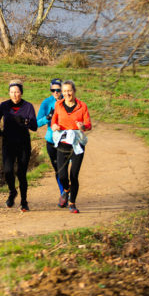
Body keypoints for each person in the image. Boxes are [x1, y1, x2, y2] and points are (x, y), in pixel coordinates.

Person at [0, 79, 38, 212]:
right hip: (8, 142)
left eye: (17, 92)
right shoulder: (4, 105)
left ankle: (24, 201)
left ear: (21, 93)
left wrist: (25, 122)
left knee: (21, 173)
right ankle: (12, 192)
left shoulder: (28, 106)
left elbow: (34, 127)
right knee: (7, 171)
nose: (14, 94)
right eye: (12, 92)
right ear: (9, 93)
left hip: (23, 144)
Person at [51, 79, 92, 214]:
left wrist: (83, 126)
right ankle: (66, 191)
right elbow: (53, 122)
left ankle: (72, 203)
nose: (67, 93)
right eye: (64, 91)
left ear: (74, 91)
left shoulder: (82, 106)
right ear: (61, 93)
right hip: (63, 144)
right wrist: (55, 126)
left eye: (69, 91)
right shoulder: (58, 105)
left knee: (74, 175)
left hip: (77, 145)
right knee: (62, 175)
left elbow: (88, 125)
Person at [36, 78, 65, 197]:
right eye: (53, 90)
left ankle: (67, 192)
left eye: (58, 90)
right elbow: (36, 123)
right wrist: (47, 117)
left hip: (66, 141)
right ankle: (63, 193)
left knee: (65, 169)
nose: (56, 92)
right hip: (51, 140)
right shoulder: (47, 102)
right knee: (58, 169)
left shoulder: (68, 101)